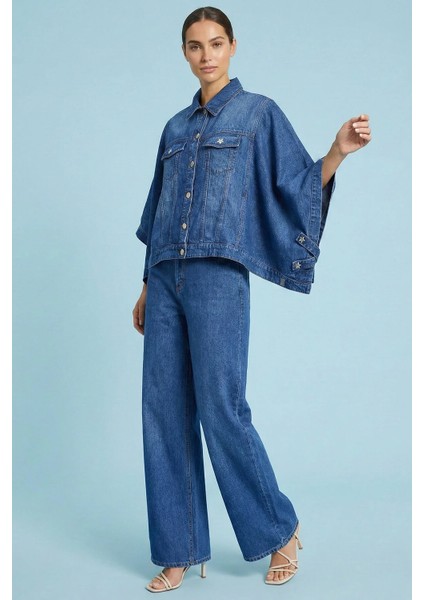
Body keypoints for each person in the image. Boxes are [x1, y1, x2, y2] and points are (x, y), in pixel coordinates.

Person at [133, 6, 371, 593]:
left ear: (233, 47)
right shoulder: (173, 129)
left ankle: (279, 530)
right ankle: (179, 548)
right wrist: (145, 284)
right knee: (163, 413)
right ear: (184, 53)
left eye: (216, 43)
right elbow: (158, 211)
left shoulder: (258, 114)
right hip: (164, 277)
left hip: (217, 277)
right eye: (195, 46)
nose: (206, 55)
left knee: (222, 407)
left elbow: (295, 185)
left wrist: (336, 152)